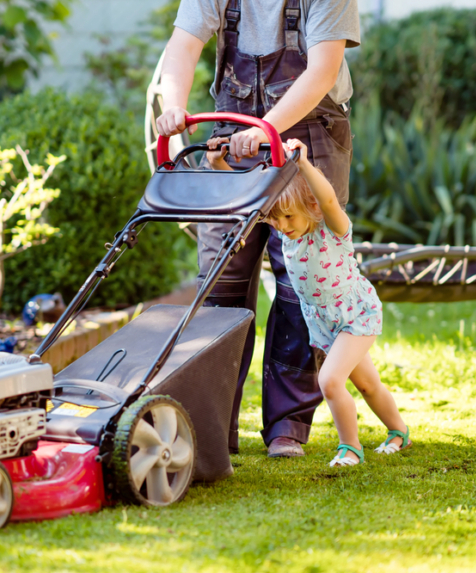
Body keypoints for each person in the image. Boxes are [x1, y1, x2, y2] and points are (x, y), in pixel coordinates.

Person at [156, 0, 361, 457]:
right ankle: (210, 426)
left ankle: (287, 427)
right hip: (235, 137)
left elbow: (322, 69)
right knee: (220, 280)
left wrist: (267, 128)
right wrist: (173, 106)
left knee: (301, 284)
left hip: (308, 135)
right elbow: (183, 46)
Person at [208, 137, 411, 466]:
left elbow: (329, 199)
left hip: (354, 314)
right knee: (368, 385)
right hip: (324, 321)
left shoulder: (331, 229)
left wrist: (302, 164)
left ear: (311, 208)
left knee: (330, 381)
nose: (280, 226)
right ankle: (399, 432)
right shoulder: (282, 224)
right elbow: (247, 199)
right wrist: (218, 163)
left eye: (287, 217)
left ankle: (350, 447)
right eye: (275, 218)